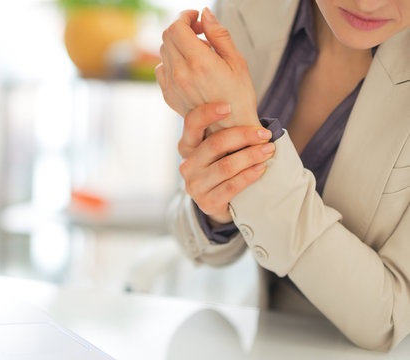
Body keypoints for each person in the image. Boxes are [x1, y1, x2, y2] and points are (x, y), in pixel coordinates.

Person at [155, 0, 410, 352]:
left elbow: (391, 320)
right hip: (260, 337)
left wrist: (242, 134)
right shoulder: (249, 9)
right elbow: (189, 231)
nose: (367, 3)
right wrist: (217, 205)